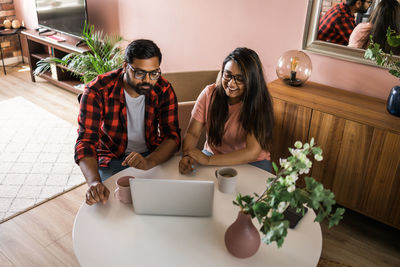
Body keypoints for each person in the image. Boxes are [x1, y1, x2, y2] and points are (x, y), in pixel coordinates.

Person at [75, 39, 180, 205]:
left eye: (154, 73)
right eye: (140, 73)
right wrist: (94, 182)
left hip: (151, 155)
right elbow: (86, 142)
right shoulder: (97, 90)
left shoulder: (163, 89)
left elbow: (172, 137)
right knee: (111, 205)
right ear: (125, 66)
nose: (148, 80)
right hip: (111, 158)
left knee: (164, 201)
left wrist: (150, 161)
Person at [178, 47, 273, 174]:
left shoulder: (259, 103)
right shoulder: (209, 94)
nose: (231, 84)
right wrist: (187, 156)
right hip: (212, 155)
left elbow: (252, 152)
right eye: (228, 75)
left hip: (252, 162)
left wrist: (209, 160)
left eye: (239, 79)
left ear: (252, 81)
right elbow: (192, 134)